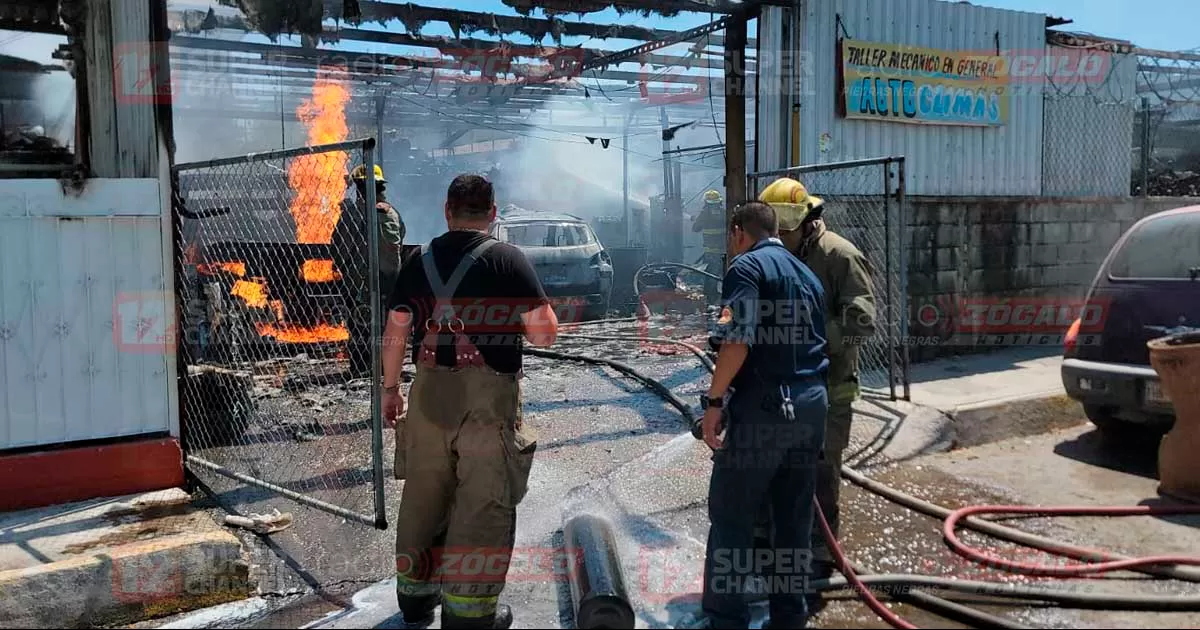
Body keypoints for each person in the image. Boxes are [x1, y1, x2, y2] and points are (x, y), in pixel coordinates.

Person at [380, 173, 559, 629]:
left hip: (427, 395)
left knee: (424, 495)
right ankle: (469, 615)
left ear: (447, 210)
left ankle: (416, 600)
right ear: (493, 213)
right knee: (482, 500)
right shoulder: (508, 259)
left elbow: (397, 330)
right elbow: (544, 334)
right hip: (487, 401)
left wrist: (390, 390)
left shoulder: (417, 260)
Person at [700, 200, 829, 629]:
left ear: (739, 231)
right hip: (811, 405)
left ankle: (726, 621)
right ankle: (790, 618)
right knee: (793, 520)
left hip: (767, 409)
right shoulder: (806, 273)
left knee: (732, 517)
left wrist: (714, 404)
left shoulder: (746, 268)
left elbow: (736, 339)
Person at [757, 176, 878, 605]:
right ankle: (781, 546)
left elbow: (863, 319)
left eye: (783, 234)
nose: (778, 242)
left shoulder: (839, 257)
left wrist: (809, 336)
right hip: (790, 388)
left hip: (831, 387)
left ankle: (822, 555)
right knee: (781, 468)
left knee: (822, 473)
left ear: (807, 223)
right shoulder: (779, 257)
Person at [330, 163, 405, 378]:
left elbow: (338, 247)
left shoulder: (352, 215)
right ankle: (385, 370)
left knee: (361, 326)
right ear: (381, 187)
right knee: (386, 328)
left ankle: (362, 371)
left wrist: (343, 270)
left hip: (360, 283)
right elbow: (401, 240)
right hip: (390, 283)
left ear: (359, 188)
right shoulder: (393, 214)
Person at [691, 189, 726, 301]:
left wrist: (696, 219)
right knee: (722, 275)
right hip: (724, 251)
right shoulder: (724, 212)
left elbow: (695, 228)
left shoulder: (704, 214)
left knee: (710, 277)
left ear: (706, 203)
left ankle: (710, 302)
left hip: (711, 252)